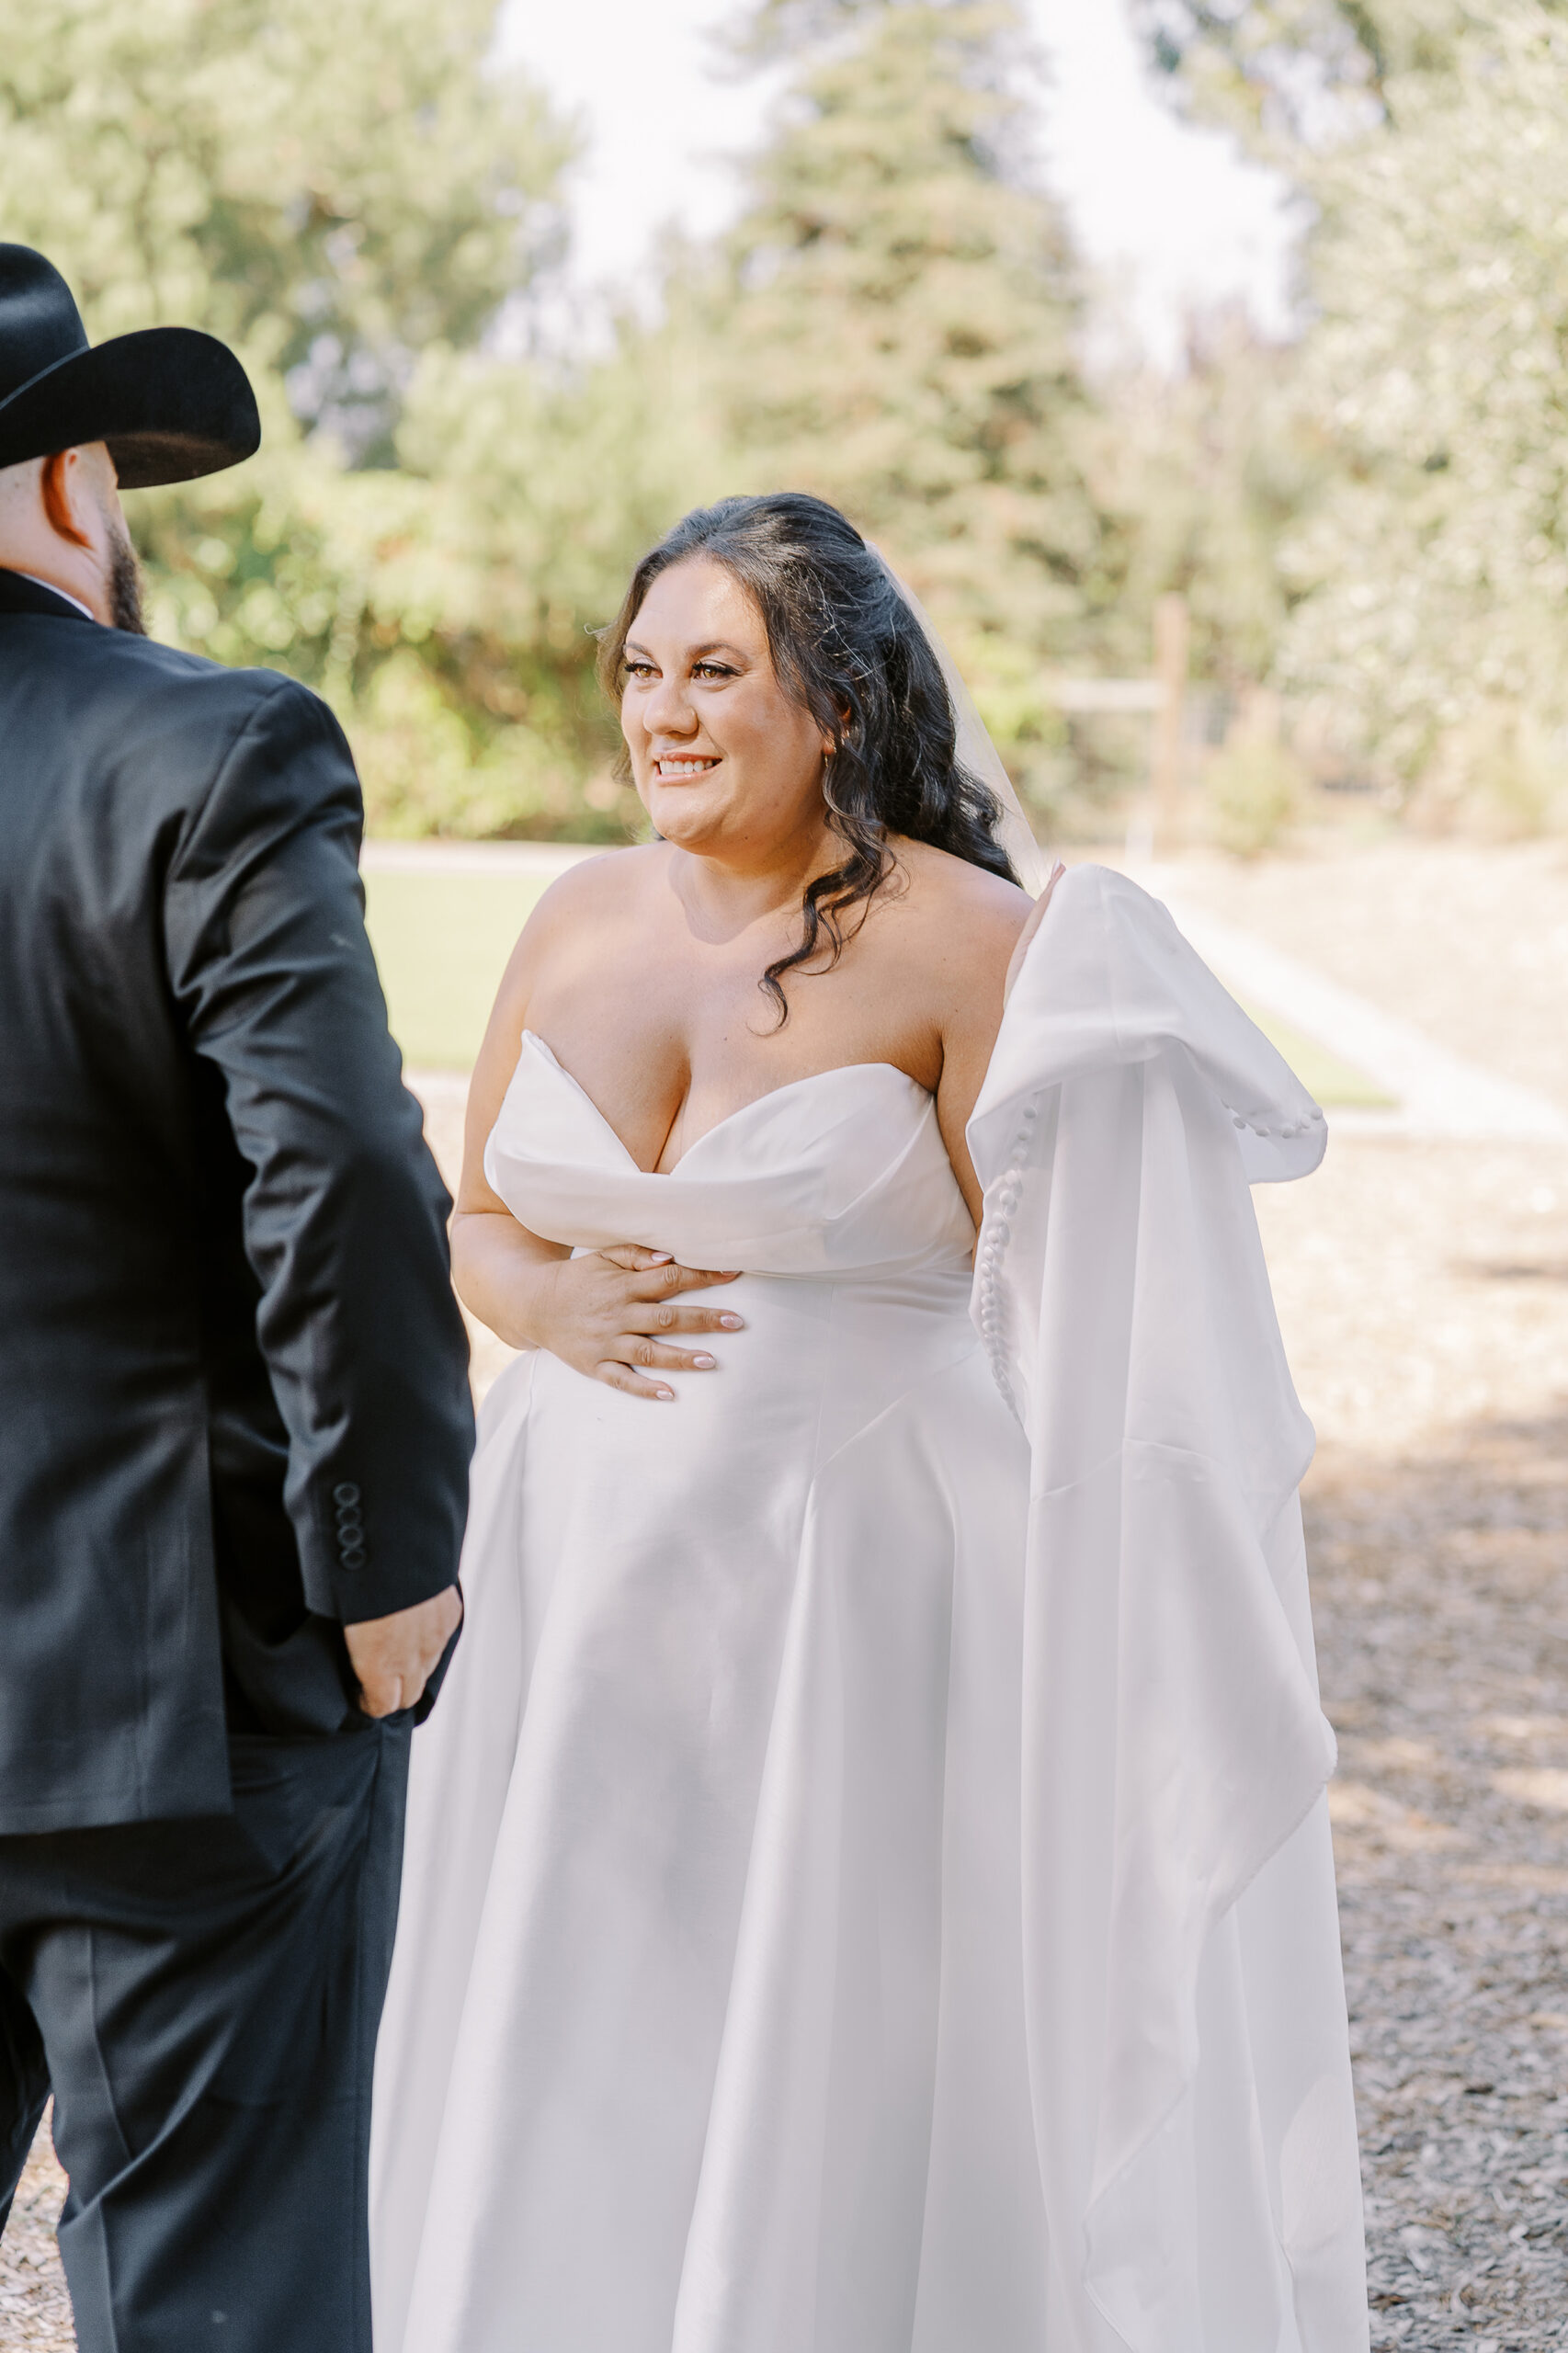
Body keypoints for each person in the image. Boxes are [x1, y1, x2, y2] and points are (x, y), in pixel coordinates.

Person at [371, 493, 1368, 2352]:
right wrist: (548, 1296)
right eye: (641, 670)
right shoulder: (576, 913)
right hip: (565, 1577)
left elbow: (1069, 1312)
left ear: (833, 701)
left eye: (715, 671)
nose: (661, 711)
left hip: (853, 1592)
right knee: (578, 2012)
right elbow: (475, 1211)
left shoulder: (974, 946)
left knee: (820, 2034)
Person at [0, 244, 473, 2353]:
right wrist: (388, 1565)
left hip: (160, 1691)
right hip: (174, 1697)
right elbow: (344, 1170)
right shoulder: (215, 747)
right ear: (66, 483)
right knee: (220, 2300)